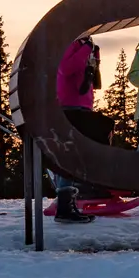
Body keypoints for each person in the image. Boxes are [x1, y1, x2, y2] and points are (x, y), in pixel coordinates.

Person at [50, 35, 106, 224]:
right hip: (71, 105)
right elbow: (66, 69)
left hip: (81, 105)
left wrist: (93, 58)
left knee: (80, 150)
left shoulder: (84, 46)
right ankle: (67, 201)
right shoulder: (71, 44)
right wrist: (86, 49)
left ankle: (72, 197)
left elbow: (91, 81)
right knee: (70, 154)